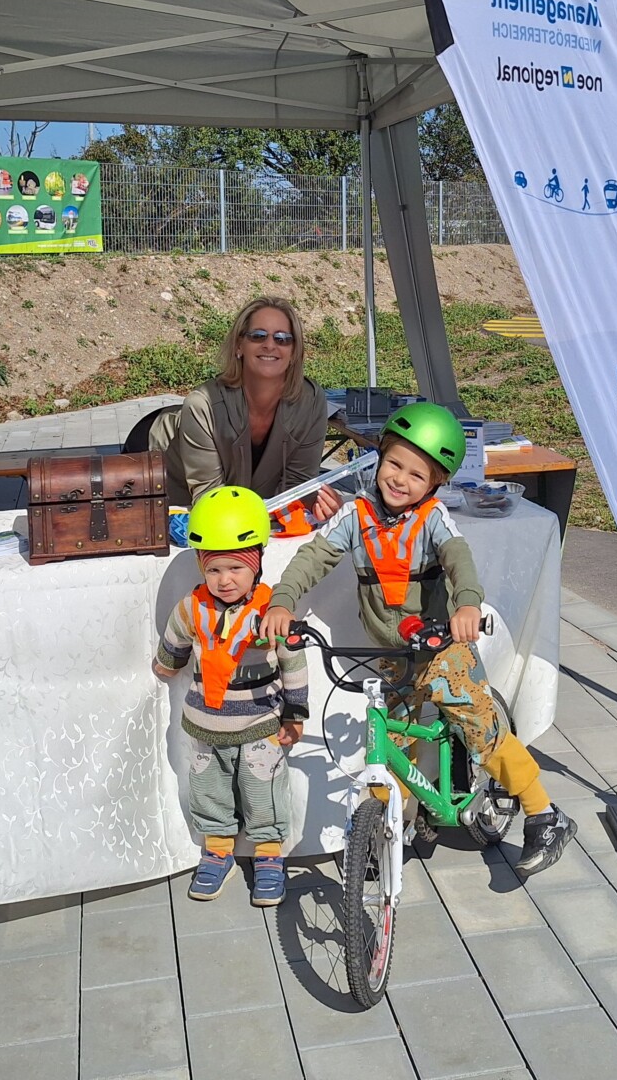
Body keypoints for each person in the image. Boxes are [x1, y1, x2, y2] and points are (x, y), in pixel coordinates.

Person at [260, 402, 575, 877]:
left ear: (436, 484)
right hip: (391, 656)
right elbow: (314, 556)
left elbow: (459, 559)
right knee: (395, 740)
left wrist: (467, 603)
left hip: (439, 649)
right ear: (378, 457)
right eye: (393, 464)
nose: (400, 479)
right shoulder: (355, 515)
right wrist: (284, 600)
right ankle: (390, 826)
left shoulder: (433, 520)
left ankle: (544, 814)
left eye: (416, 473)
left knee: (480, 730)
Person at [153, 486, 307, 906]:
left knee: (264, 789)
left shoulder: (270, 611)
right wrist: (165, 664)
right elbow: (175, 641)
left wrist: (295, 713)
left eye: (236, 569)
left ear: (255, 564)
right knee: (210, 787)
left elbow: (293, 663)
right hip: (206, 720)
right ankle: (217, 850)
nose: (224, 580)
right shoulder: (191, 608)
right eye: (214, 569)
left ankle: (270, 857)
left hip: (260, 719)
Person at [151, 297, 339, 520]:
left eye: (283, 338)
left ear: (294, 351)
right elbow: (210, 501)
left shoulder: (312, 401)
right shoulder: (202, 405)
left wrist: (320, 503)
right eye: (258, 336)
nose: (270, 345)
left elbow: (296, 488)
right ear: (239, 345)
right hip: (167, 471)